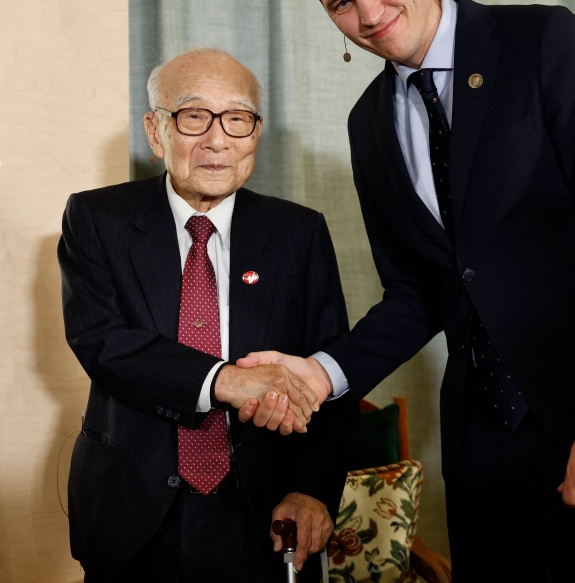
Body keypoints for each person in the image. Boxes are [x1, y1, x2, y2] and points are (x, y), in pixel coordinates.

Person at [241, 0, 575, 582]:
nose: (368, 15)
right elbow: (418, 292)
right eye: (340, 3)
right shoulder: (367, 123)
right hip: (485, 435)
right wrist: (322, 373)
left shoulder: (546, 42)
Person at [58, 49, 357, 582]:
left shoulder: (299, 233)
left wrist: (312, 488)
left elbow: (331, 374)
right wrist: (227, 382)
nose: (218, 140)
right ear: (156, 132)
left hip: (264, 508)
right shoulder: (97, 219)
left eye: (238, 119)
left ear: (256, 134)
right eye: (194, 116)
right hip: (132, 504)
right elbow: (103, 343)